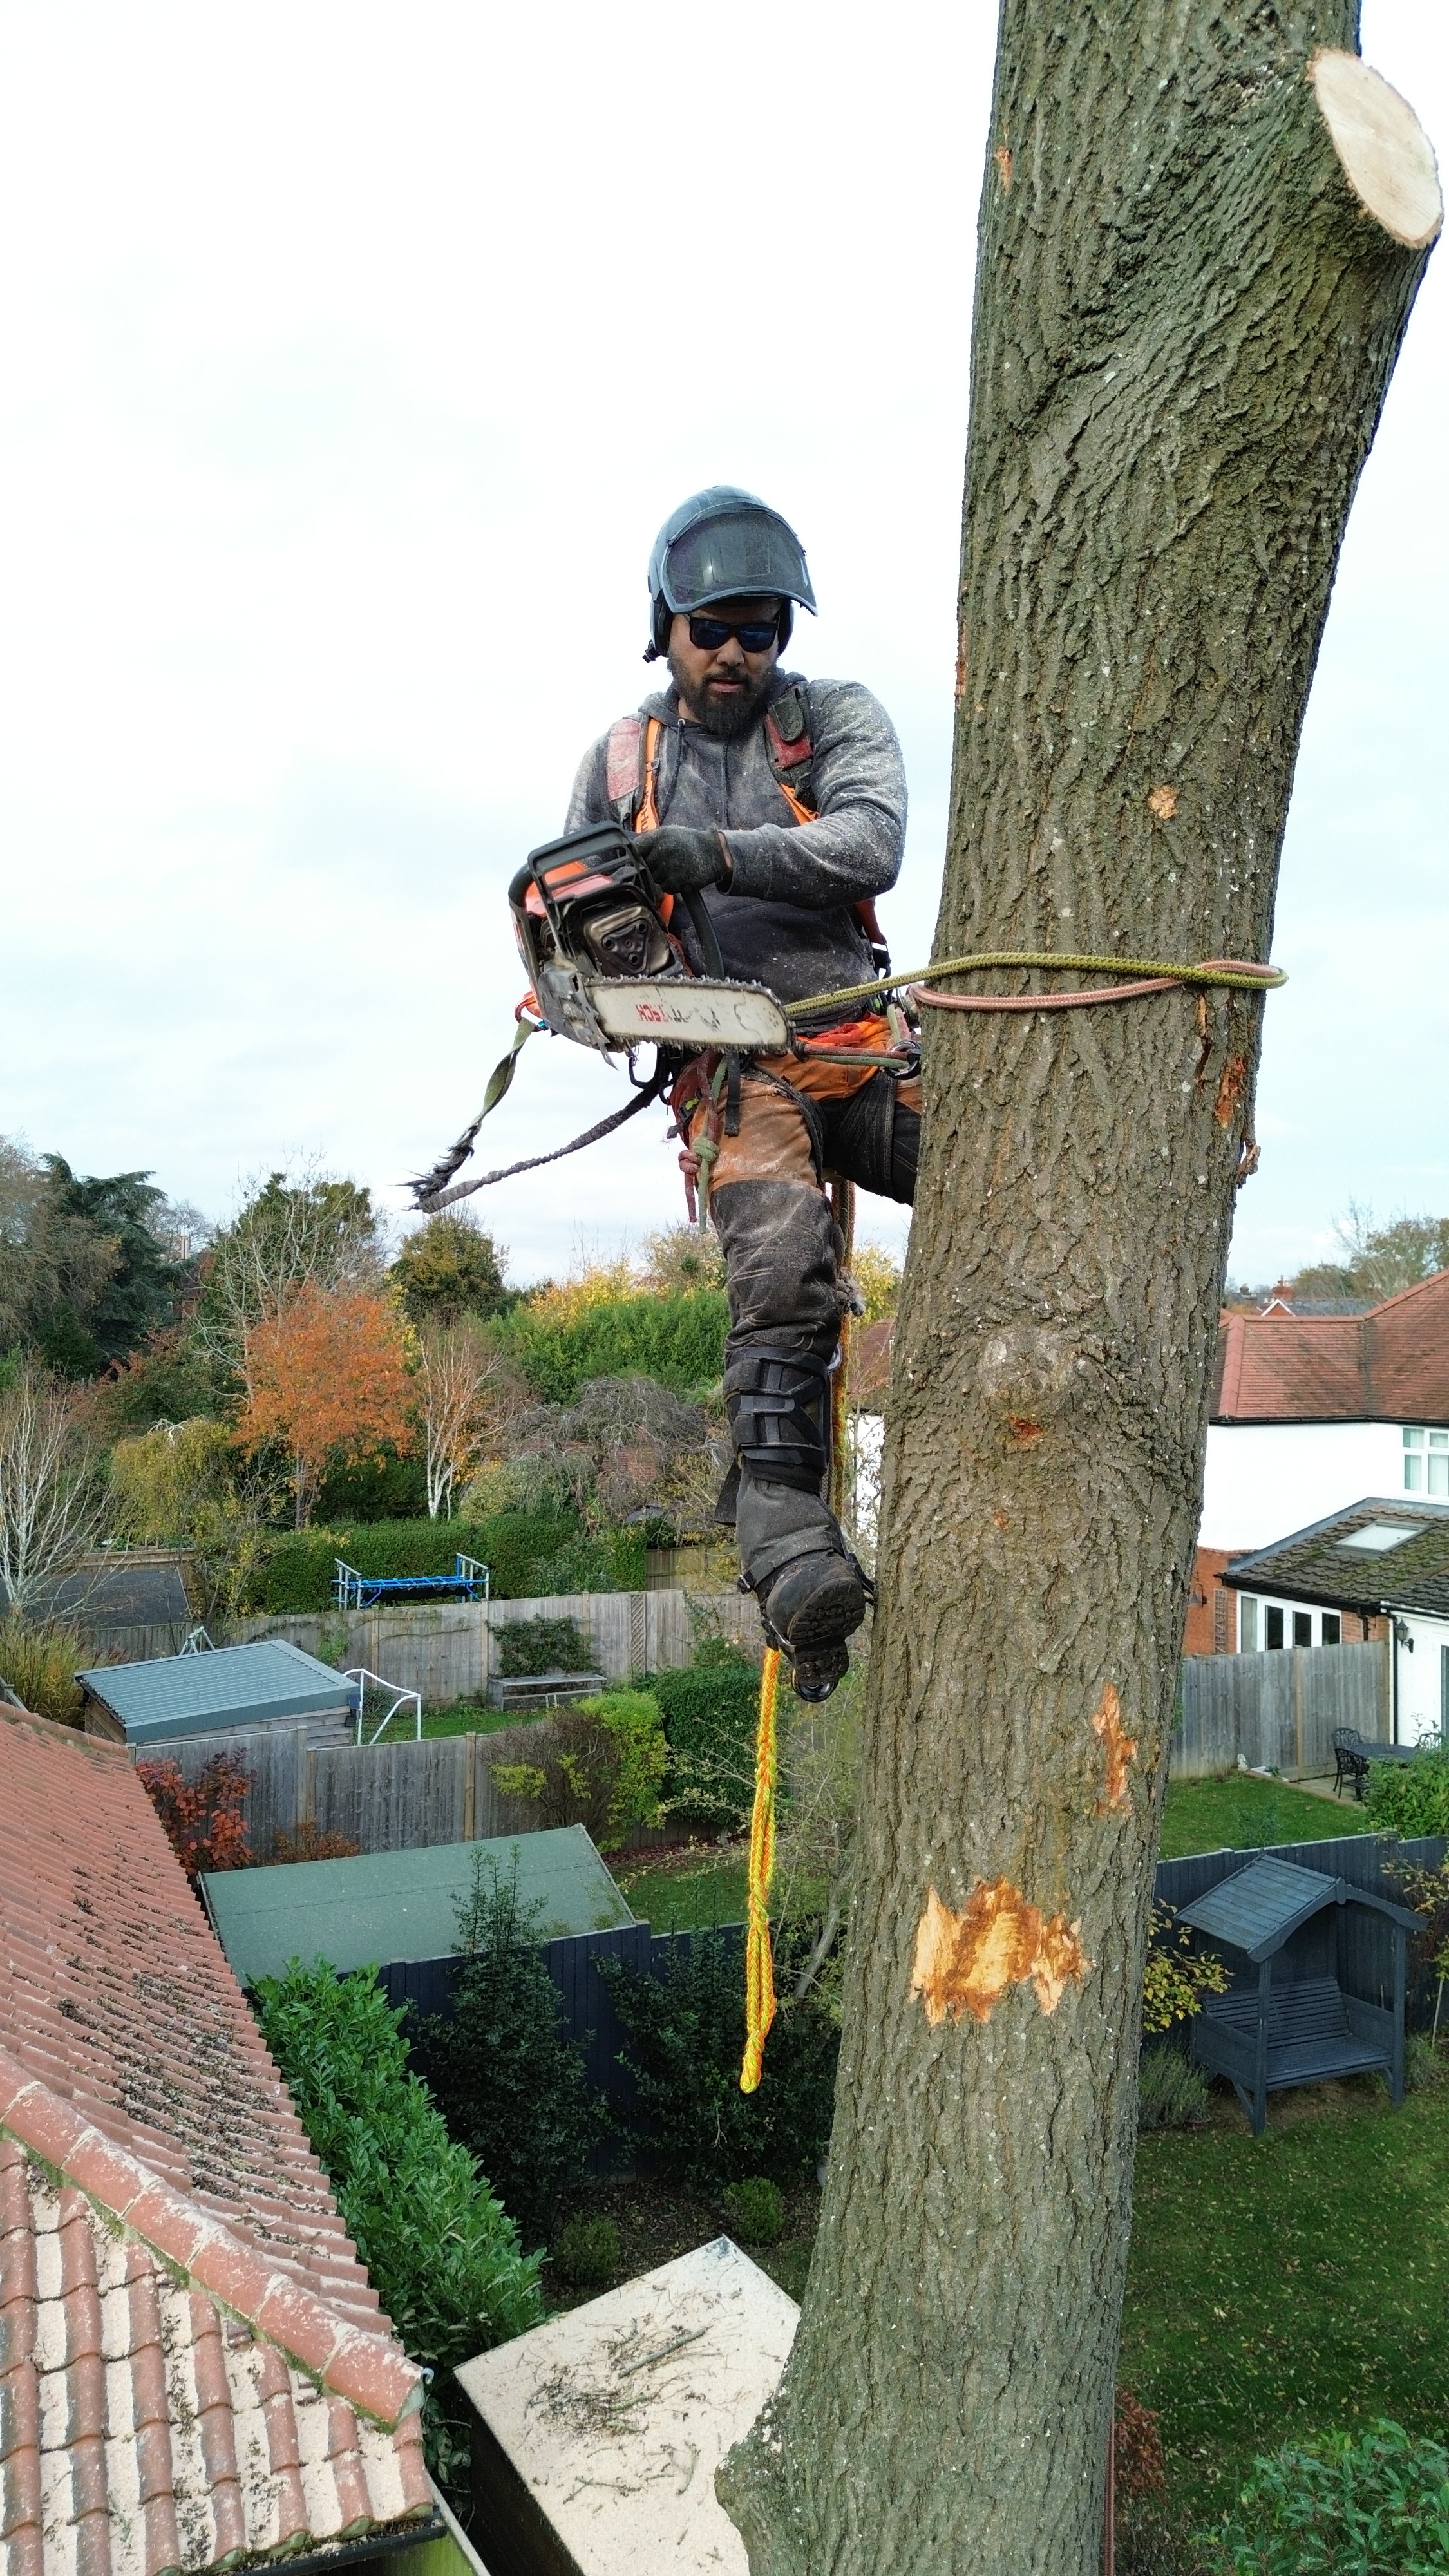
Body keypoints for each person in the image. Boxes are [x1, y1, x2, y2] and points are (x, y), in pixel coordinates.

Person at [565, 486, 919, 1699]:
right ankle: (787, 1552)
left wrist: (718, 854)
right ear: (663, 624)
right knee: (778, 1267)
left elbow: (870, 844)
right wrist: (598, 967)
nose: (735, 653)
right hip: (734, 1067)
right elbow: (570, 920)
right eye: (712, 629)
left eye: (760, 630)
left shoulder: (830, 723)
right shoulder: (624, 759)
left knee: (1011, 1168)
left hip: (862, 1036)